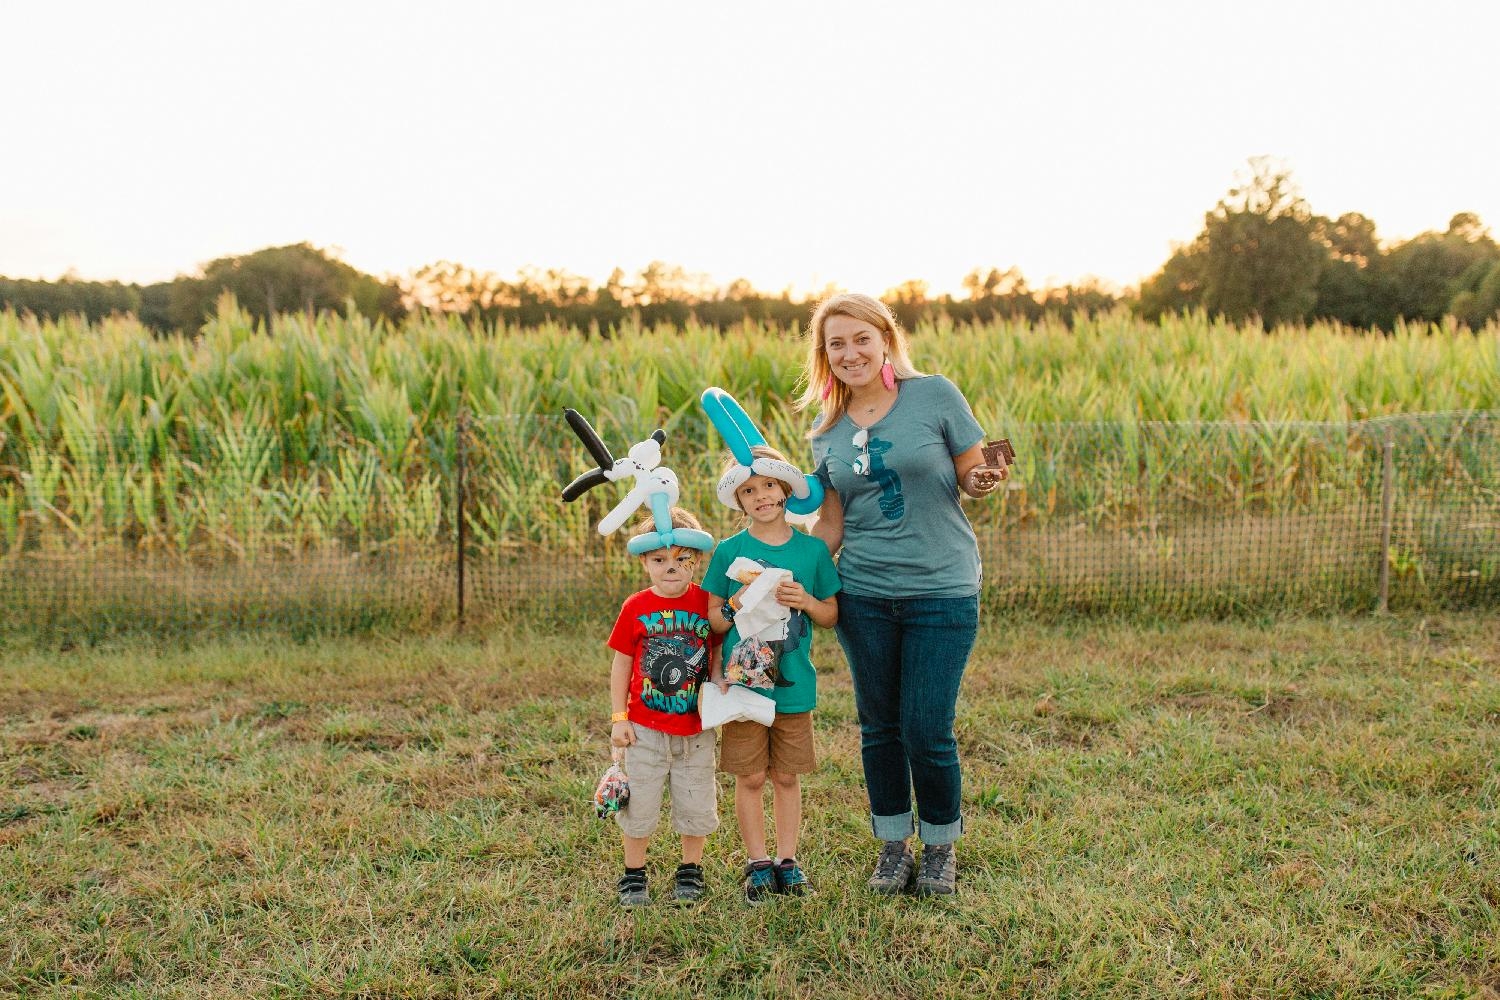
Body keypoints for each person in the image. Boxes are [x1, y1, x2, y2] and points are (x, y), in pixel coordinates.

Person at [797, 292, 1006, 897]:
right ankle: (893, 846)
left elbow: (974, 471)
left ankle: (939, 847)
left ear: (885, 340)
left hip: (941, 591)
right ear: (825, 355)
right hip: (864, 596)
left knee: (925, 727)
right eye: (836, 343)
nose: (850, 352)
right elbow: (831, 525)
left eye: (861, 338)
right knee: (879, 726)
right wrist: (789, 570)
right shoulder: (826, 433)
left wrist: (987, 475)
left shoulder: (934, 395)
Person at [703, 445, 841, 904]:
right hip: (744, 686)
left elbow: (830, 614)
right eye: (748, 491)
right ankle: (758, 861)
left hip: (794, 684)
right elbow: (714, 623)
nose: (760, 496)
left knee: (786, 776)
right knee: (751, 777)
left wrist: (805, 601)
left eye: (767, 485)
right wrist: (738, 601)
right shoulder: (730, 552)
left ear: (785, 489)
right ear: (737, 500)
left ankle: (787, 860)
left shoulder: (813, 551)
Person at [606, 506, 722, 906]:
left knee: (696, 801)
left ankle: (690, 870)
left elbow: (719, 647)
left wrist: (721, 687)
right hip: (645, 728)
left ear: (697, 560)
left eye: (681, 559)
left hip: (696, 729)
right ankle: (634, 874)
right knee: (640, 803)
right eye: (659, 560)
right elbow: (621, 663)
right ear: (645, 562)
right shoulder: (635, 607)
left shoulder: (707, 603)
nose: (670, 567)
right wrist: (619, 717)